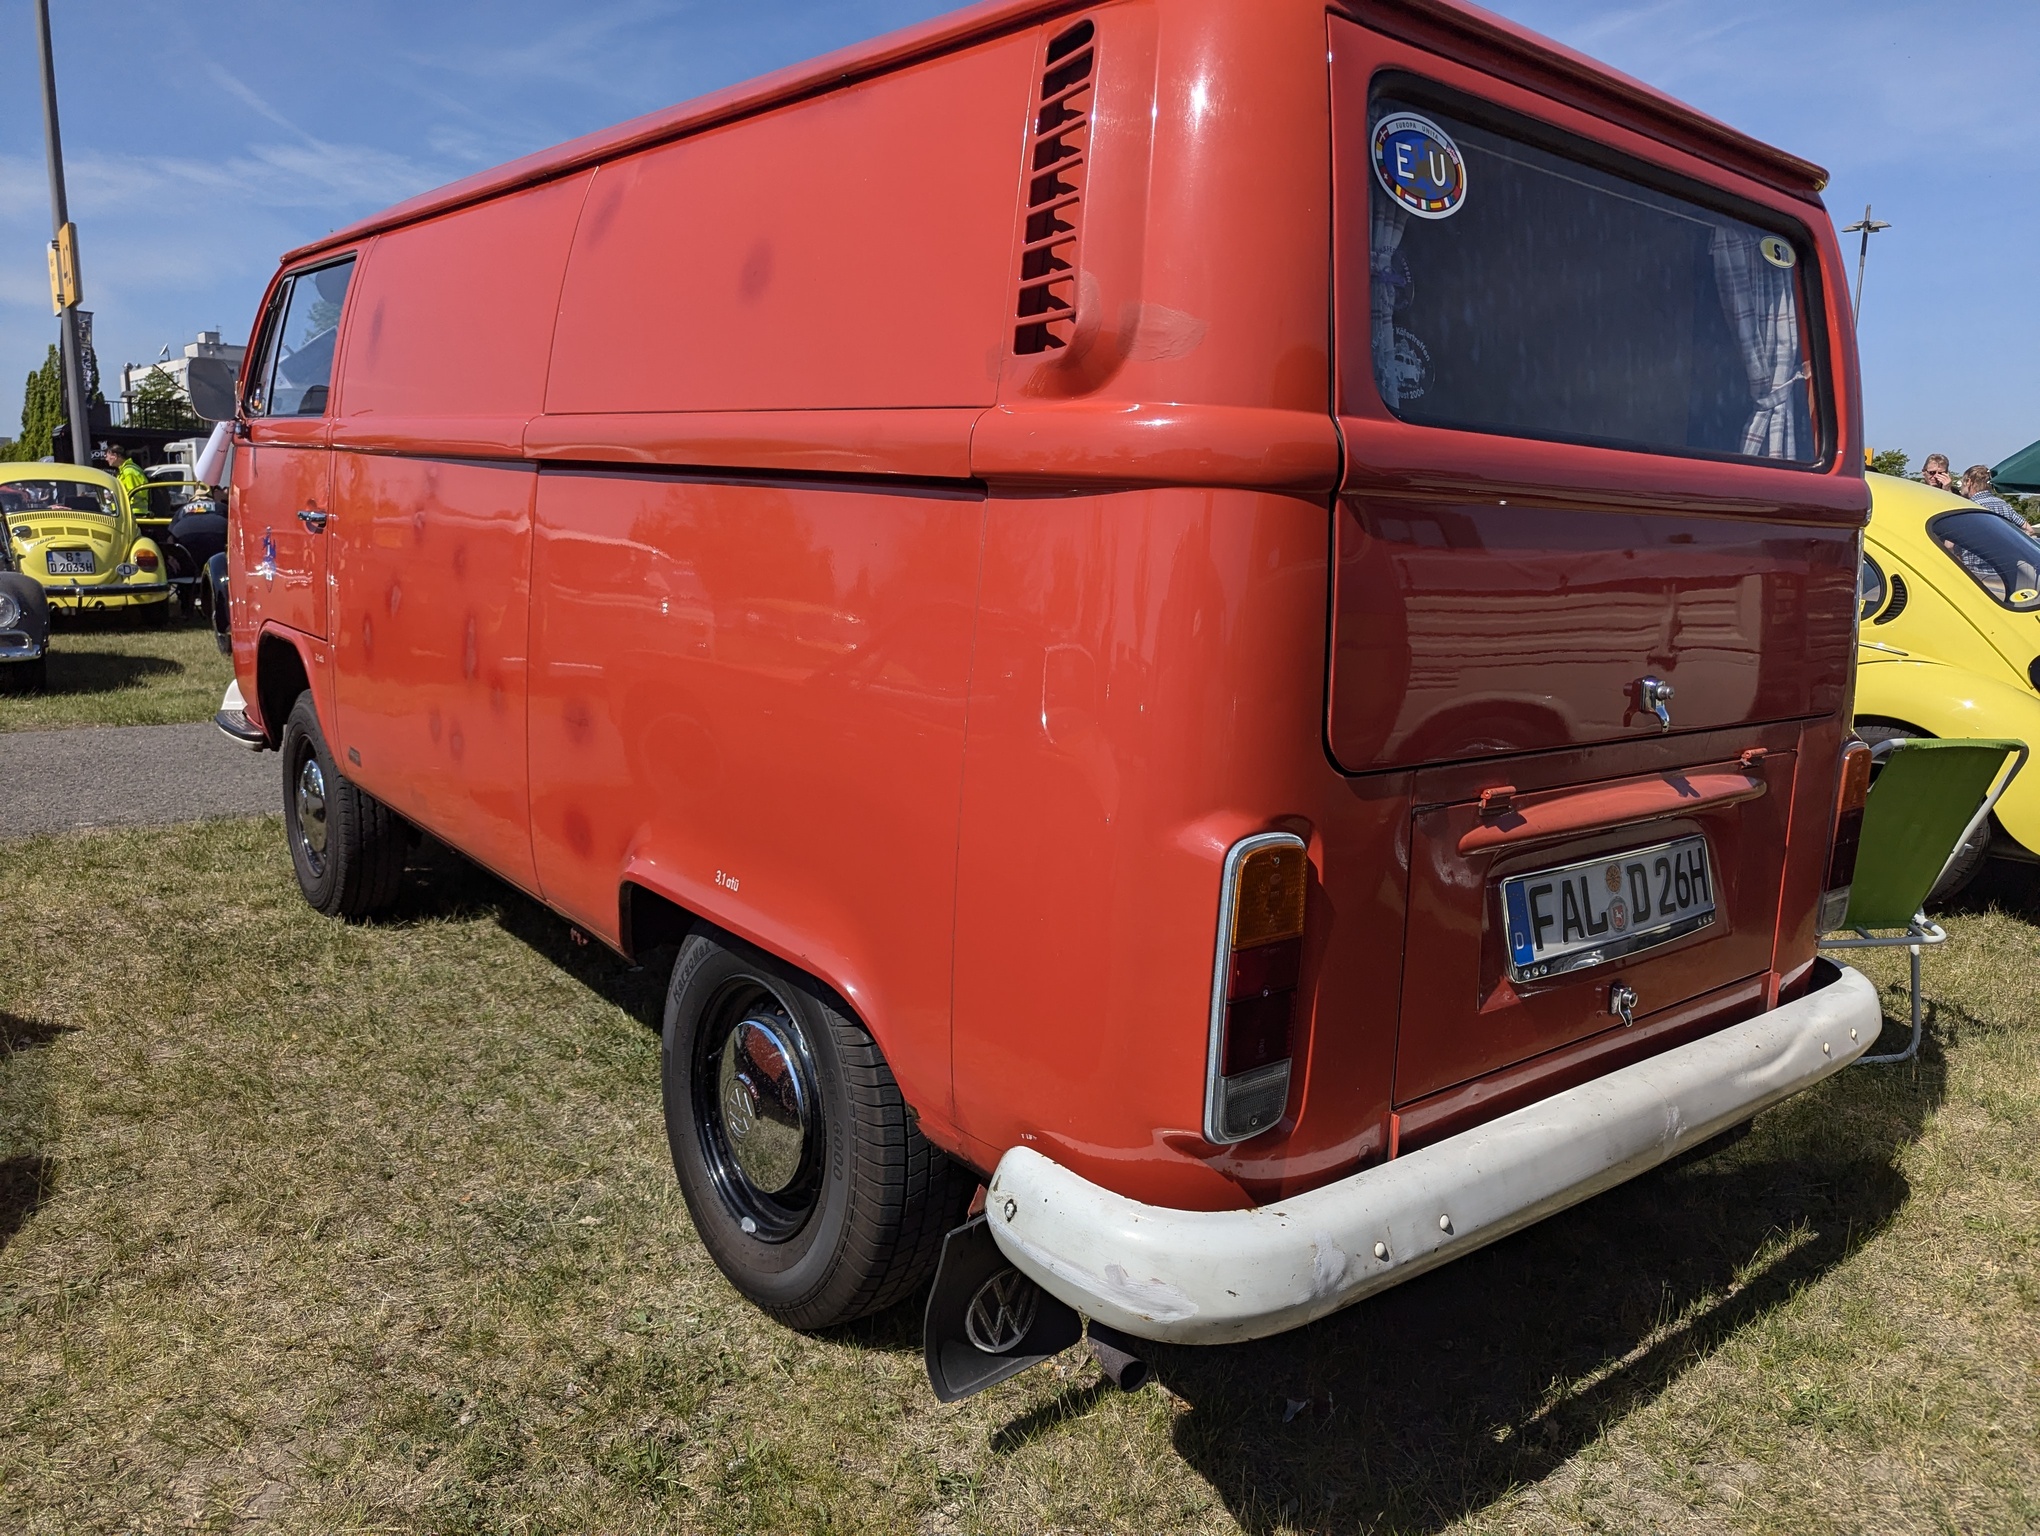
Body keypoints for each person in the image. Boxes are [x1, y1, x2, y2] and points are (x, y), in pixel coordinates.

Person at [1961, 463, 2032, 534]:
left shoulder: (1970, 506)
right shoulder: (2004, 505)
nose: (1961, 487)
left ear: (1968, 482)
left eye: (1962, 483)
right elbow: (2030, 530)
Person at [100, 442, 151, 519]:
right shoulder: (125, 470)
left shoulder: (129, 472)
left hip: (134, 514)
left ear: (115, 456)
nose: (106, 459)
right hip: (130, 512)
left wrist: (114, 498)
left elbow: (135, 495)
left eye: (107, 456)